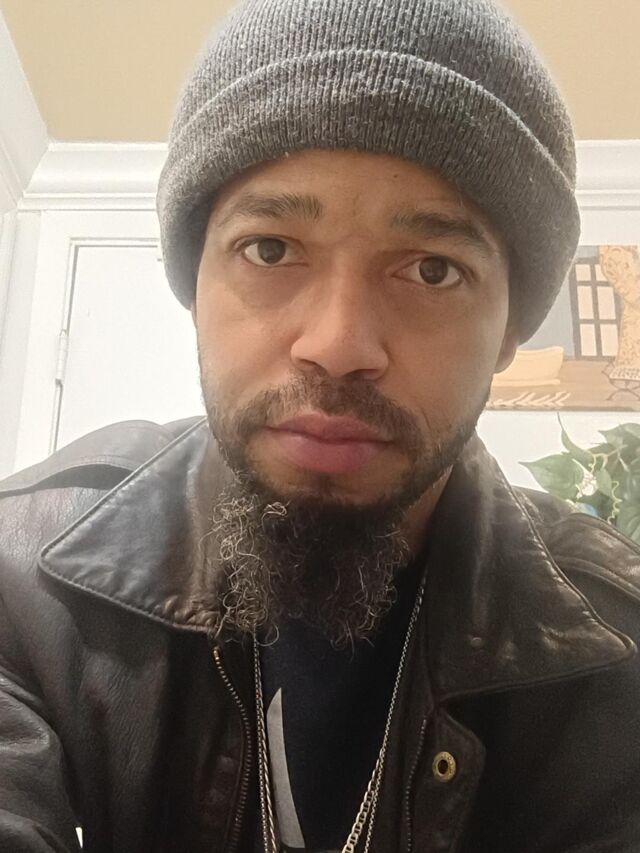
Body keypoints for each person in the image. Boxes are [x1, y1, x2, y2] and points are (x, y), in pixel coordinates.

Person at [1, 0, 639, 850]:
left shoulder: (617, 657)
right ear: (194, 286)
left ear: (509, 332)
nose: (338, 345)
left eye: (432, 269)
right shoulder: (23, 585)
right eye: (270, 248)